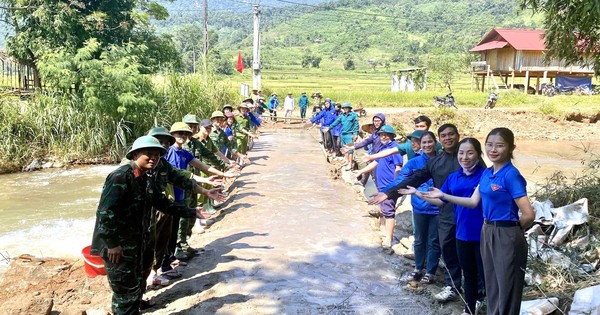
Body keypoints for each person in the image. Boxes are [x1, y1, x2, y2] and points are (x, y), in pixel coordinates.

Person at [91, 135, 211, 315]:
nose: (154, 158)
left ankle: (136, 307)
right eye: (149, 154)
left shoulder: (146, 178)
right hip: (118, 247)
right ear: (135, 154)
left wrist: (191, 211)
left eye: (157, 155)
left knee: (139, 282)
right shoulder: (120, 177)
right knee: (125, 292)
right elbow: (105, 214)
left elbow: (162, 202)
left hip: (138, 242)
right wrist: (112, 244)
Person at [419, 128, 535, 315]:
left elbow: (529, 214)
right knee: (492, 284)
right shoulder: (487, 174)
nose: (493, 149)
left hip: (505, 232)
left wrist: (511, 232)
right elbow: (473, 202)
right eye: (490, 145)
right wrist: (441, 195)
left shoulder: (511, 175)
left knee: (506, 286)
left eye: (500, 145)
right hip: (486, 229)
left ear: (511, 147)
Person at [369, 124, 471, 302]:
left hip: (468, 213)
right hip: (445, 212)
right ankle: (452, 286)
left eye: (451, 135)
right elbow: (413, 179)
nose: (447, 138)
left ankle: (477, 294)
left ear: (458, 135)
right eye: (444, 135)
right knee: (447, 251)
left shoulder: (466, 157)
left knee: (469, 254)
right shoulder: (435, 162)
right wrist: (388, 192)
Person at [396, 131, 441, 285]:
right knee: (420, 239)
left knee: (434, 241)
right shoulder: (414, 163)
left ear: (435, 143)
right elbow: (401, 179)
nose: (427, 145)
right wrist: (386, 193)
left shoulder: (442, 161)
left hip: (438, 208)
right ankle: (418, 268)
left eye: (430, 142)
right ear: (420, 146)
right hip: (419, 207)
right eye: (424, 143)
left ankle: (430, 272)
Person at [324, 102, 359, 171]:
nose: (345, 109)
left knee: (350, 150)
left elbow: (356, 125)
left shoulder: (353, 115)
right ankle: (346, 161)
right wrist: (329, 128)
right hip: (343, 134)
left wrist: (355, 134)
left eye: (347, 108)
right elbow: (336, 122)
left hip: (349, 134)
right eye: (344, 108)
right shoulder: (342, 116)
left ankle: (350, 163)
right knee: (344, 148)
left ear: (349, 108)